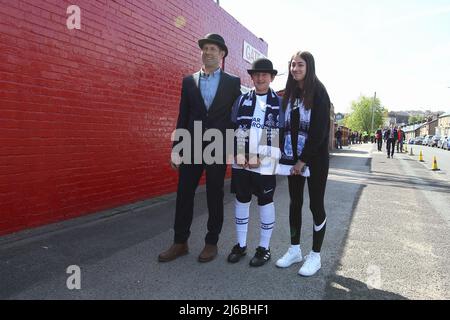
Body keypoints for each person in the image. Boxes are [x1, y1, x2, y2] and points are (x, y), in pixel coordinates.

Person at [158, 33, 241, 263]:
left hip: (217, 145)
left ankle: (211, 243)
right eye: (205, 48)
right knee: (184, 193)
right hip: (191, 144)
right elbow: (183, 115)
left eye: (213, 49)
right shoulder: (188, 81)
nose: (208, 52)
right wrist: (177, 148)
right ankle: (180, 242)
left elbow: (238, 117)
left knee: (215, 194)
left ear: (222, 54)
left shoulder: (232, 83)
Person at [275, 51, 331, 276]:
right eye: (292, 65)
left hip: (314, 161)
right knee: (294, 203)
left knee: (315, 205)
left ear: (309, 67)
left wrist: (303, 160)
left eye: (300, 65)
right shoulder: (289, 94)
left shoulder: (319, 92)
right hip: (292, 159)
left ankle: (315, 255)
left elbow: (319, 132)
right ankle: (295, 250)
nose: (295, 69)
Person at [227, 58, 281, 267]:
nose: (260, 78)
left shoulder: (278, 102)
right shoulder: (242, 100)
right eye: (257, 74)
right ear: (252, 77)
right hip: (242, 160)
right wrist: (240, 153)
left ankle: (264, 248)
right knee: (241, 199)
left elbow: (279, 133)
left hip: (265, 162)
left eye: (264, 74)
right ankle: (241, 245)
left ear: (271, 77)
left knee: (265, 201)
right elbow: (235, 128)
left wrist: (262, 157)